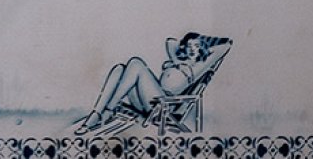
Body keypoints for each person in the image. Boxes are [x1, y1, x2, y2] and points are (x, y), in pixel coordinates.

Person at [74, 32, 231, 133]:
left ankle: (107, 111)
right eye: (189, 45)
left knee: (136, 63)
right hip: (149, 102)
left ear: (202, 48)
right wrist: (177, 60)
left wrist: (202, 40)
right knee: (119, 69)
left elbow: (226, 45)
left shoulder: (199, 66)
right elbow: (170, 41)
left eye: (196, 46)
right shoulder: (178, 59)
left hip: (164, 106)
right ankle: (96, 114)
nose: (192, 48)